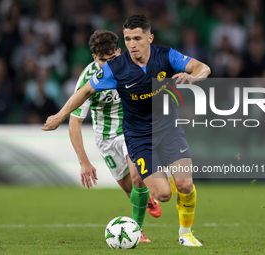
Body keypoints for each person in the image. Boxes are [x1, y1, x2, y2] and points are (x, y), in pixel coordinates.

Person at [42, 15, 211, 246]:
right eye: (128, 38)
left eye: (137, 38)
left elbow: (203, 68)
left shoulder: (166, 55)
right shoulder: (114, 69)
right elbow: (82, 92)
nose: (132, 44)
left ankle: (185, 234)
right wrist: (59, 116)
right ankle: (157, 190)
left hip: (168, 129)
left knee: (185, 185)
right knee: (163, 194)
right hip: (137, 135)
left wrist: (193, 77)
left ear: (149, 38)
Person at [67, 30, 161, 242]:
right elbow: (75, 122)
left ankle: (137, 230)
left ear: (119, 51)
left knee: (138, 177)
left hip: (132, 129)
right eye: (102, 61)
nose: (108, 64)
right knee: (130, 188)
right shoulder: (87, 79)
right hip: (106, 139)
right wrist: (84, 162)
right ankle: (146, 198)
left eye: (113, 59)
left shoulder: (135, 66)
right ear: (94, 58)